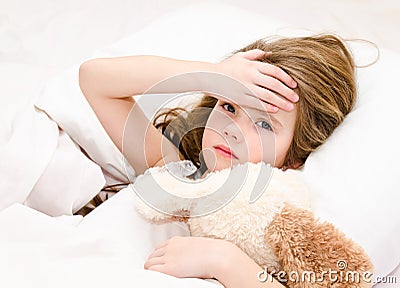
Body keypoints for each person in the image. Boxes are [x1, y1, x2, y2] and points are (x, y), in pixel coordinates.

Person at [79, 33, 356, 287]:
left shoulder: (275, 226)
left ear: (294, 157)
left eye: (264, 124)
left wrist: (223, 260)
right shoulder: (174, 172)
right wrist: (214, 75)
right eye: (229, 106)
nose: (232, 129)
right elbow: (93, 79)